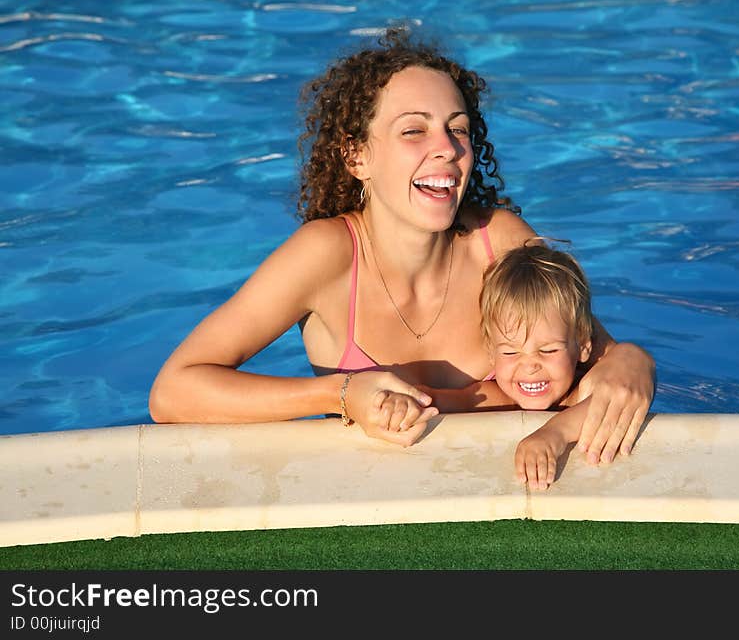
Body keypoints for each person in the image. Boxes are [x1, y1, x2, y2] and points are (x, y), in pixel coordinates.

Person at [148, 26, 655, 463]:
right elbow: (173, 391)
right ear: (357, 157)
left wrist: (635, 360)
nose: (447, 147)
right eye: (414, 130)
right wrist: (342, 394)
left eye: (458, 130)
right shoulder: (326, 256)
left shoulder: (496, 242)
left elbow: (596, 356)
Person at [478, 241, 597, 490]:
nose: (530, 365)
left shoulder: (582, 395)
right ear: (491, 353)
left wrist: (556, 433)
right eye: (510, 351)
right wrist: (402, 406)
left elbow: (610, 405)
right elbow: (435, 400)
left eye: (548, 350)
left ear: (583, 345)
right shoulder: (490, 398)